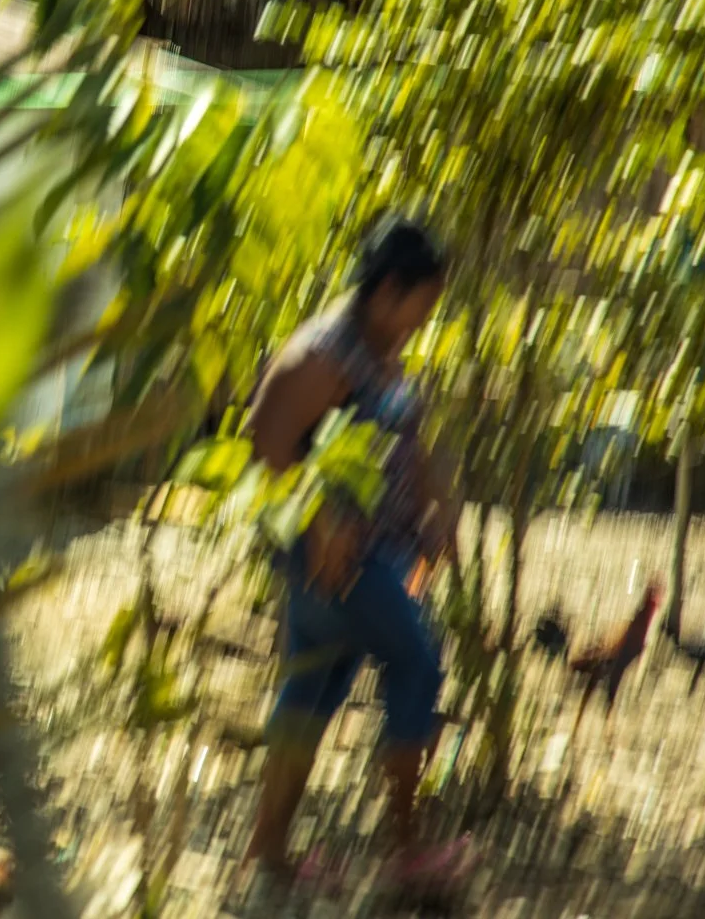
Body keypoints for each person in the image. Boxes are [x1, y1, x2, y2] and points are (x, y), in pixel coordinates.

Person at [238, 216, 468, 908]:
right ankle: (406, 853)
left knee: (313, 692)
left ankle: (269, 855)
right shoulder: (325, 352)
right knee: (418, 661)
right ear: (388, 289)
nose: (420, 324)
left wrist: (437, 507)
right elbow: (261, 441)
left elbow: (406, 432)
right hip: (340, 563)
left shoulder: (379, 347)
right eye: (420, 307)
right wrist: (315, 522)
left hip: (375, 558)